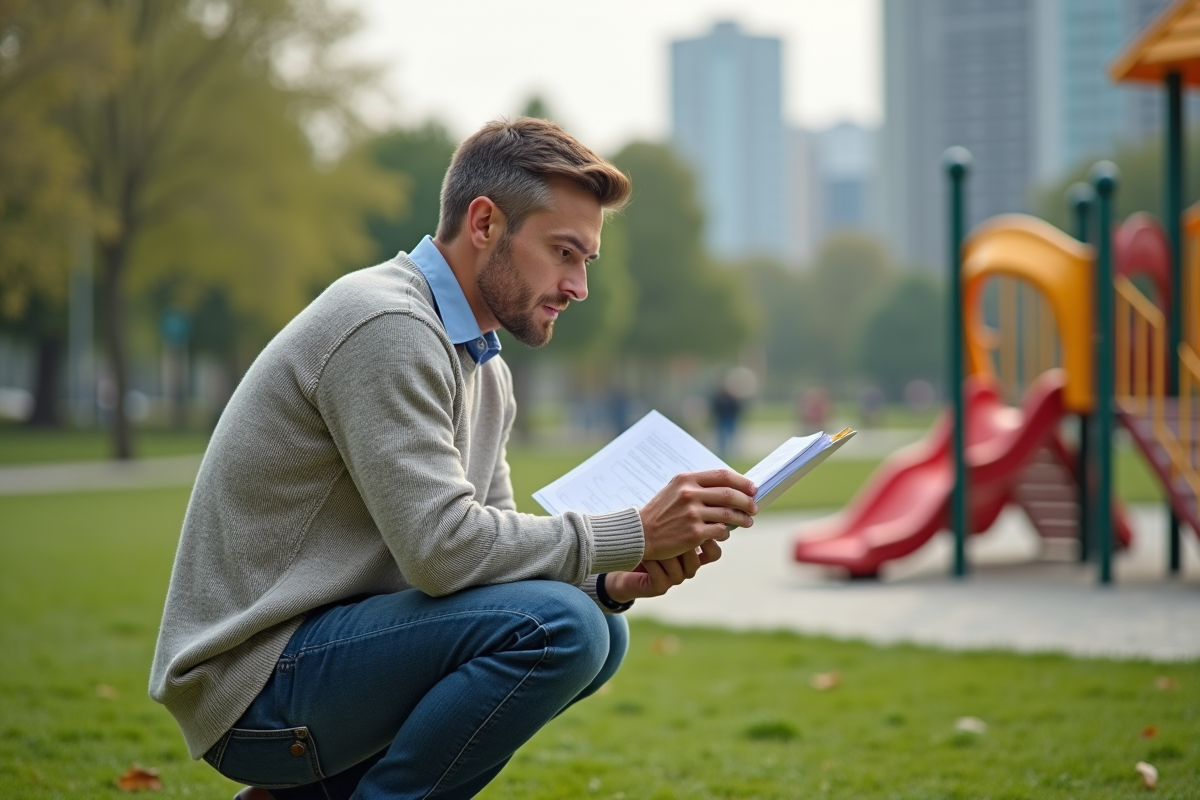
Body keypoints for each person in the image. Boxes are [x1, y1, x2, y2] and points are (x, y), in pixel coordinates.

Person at [149, 118, 759, 800]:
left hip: (319, 660)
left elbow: (487, 567)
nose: (578, 285)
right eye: (563, 252)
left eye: (586, 260)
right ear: (484, 223)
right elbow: (444, 551)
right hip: (252, 681)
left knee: (596, 629)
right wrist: (632, 533)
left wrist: (612, 580)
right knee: (562, 628)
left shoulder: (483, 366)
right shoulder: (387, 327)